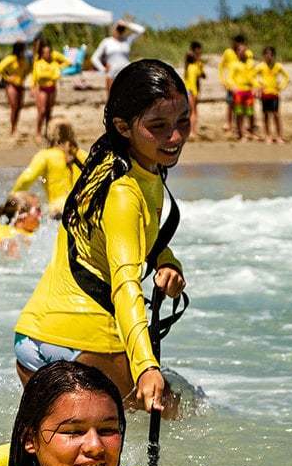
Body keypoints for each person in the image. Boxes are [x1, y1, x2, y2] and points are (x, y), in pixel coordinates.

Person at [14, 59, 189, 415]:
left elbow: (125, 239)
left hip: (33, 336)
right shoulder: (124, 191)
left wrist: (166, 261)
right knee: (179, 415)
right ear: (124, 126)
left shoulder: (107, 165)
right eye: (158, 126)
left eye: (182, 121)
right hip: (86, 342)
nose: (175, 136)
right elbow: (124, 283)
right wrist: (145, 367)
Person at [11, 122, 87, 219]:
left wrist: (11, 200)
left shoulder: (46, 155)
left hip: (58, 210)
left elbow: (26, 179)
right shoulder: (81, 154)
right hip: (83, 208)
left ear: (49, 136)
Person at [90, 20, 146, 95]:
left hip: (127, 74)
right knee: (112, 101)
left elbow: (141, 30)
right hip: (112, 75)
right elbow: (94, 58)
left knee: (127, 99)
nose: (120, 31)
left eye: (122, 29)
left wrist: (127, 24)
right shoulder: (107, 42)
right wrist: (103, 69)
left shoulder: (127, 41)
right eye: (118, 28)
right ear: (113, 29)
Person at [30, 41, 70, 141]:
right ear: (42, 53)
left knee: (49, 111)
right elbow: (37, 75)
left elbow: (62, 69)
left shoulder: (54, 62)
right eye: (45, 53)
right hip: (42, 88)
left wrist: (57, 70)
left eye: (48, 52)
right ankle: (38, 132)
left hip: (52, 88)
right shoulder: (38, 62)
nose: (47, 55)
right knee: (42, 111)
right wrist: (32, 87)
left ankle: (47, 131)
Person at [0, 42, 31, 136]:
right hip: (11, 85)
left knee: (19, 107)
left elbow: (27, 70)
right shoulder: (10, 58)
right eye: (22, 49)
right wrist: (7, 77)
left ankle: (15, 126)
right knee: (14, 106)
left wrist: (25, 74)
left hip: (21, 85)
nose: (24, 50)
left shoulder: (24, 60)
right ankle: (12, 128)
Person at [218, 34, 253, 133]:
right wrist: (223, 80)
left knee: (245, 106)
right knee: (230, 104)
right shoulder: (228, 52)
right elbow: (221, 66)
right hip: (231, 83)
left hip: (243, 84)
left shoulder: (248, 53)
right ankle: (228, 123)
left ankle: (245, 125)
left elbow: (250, 66)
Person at [254, 46, 289, 144]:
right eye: (267, 55)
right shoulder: (260, 66)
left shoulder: (277, 66)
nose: (269, 57)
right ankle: (267, 135)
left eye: (271, 55)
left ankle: (279, 136)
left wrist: (281, 87)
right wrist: (258, 85)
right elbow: (252, 76)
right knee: (265, 115)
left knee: (276, 115)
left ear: (274, 56)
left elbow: (286, 77)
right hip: (264, 93)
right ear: (263, 56)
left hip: (274, 93)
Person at [227, 42, 257, 142]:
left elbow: (253, 77)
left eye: (244, 50)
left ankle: (252, 132)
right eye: (240, 50)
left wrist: (256, 87)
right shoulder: (234, 64)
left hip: (249, 91)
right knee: (239, 113)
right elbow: (230, 78)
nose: (243, 52)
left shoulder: (250, 63)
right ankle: (241, 133)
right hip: (239, 91)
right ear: (237, 52)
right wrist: (233, 87)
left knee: (250, 113)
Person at [182, 42, 204, 133]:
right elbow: (193, 83)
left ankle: (191, 131)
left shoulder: (187, 67)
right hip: (192, 91)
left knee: (191, 112)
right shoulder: (194, 67)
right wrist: (194, 93)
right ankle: (192, 132)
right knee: (194, 112)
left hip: (188, 90)